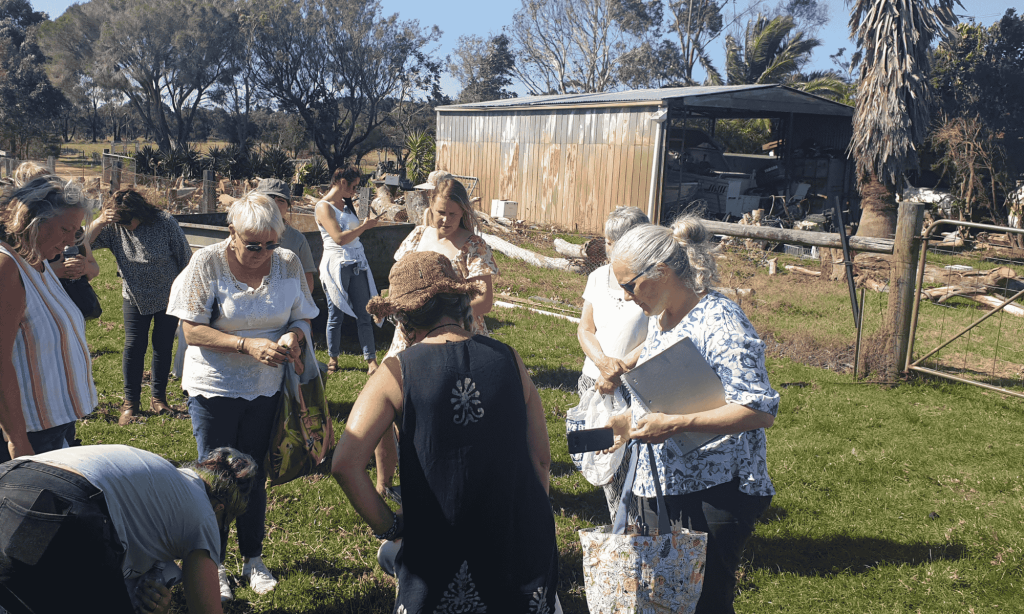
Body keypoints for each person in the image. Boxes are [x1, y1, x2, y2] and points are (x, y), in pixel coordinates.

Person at [333, 251, 559, 613]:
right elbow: (542, 460)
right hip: (519, 540)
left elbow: (344, 464)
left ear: (403, 319)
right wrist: (527, 520)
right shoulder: (509, 358)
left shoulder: (394, 373)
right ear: (460, 303)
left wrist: (391, 528)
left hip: (438, 545)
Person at [604, 215, 779, 614]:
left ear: (661, 272)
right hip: (664, 488)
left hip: (715, 492)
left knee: (705, 604)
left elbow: (758, 409)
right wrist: (627, 422)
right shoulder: (662, 318)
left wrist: (679, 424)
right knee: (665, 601)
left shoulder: (720, 321)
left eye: (630, 286)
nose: (628, 297)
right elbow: (670, 393)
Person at [166, 192, 319, 600]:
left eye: (271, 243)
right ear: (231, 232)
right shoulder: (207, 262)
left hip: (266, 387)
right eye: (254, 245)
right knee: (216, 479)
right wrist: (246, 346)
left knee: (255, 474)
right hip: (215, 386)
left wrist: (294, 334)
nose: (263, 252)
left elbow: (303, 312)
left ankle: (253, 557)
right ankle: (212, 565)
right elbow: (191, 330)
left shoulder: (286, 263)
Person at [0, 444, 257, 614]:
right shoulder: (204, 513)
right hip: (64, 506)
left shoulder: (160, 481)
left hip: (11, 478)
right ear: (220, 509)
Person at [373, 175, 499, 496]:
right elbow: (395, 279)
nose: (445, 220)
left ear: (464, 213)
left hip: (458, 332)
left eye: (453, 214)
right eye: (440, 212)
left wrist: (442, 311)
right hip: (409, 332)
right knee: (383, 402)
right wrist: (403, 306)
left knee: (446, 412)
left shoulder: (474, 245)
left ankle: (449, 479)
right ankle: (385, 483)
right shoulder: (416, 236)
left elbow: (484, 299)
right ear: (431, 206)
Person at [0, 178, 97, 460]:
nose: (71, 241)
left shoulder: (39, 263)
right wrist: (17, 441)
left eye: (77, 231)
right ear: (31, 221)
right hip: (27, 434)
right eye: (65, 229)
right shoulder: (7, 267)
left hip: (54, 425)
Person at [87, 188, 193, 424]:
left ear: (141, 212)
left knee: (162, 345)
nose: (127, 226)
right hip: (134, 295)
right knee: (134, 346)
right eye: (121, 222)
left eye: (129, 221)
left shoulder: (165, 222)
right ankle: (130, 403)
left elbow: (185, 258)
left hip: (168, 295)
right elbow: (83, 242)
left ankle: (159, 399)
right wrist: (100, 221)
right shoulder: (114, 227)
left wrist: (184, 294)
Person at [573, 206, 650, 524]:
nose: (606, 247)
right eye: (607, 241)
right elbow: (585, 328)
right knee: (601, 458)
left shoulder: (650, 281)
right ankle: (618, 527)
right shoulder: (597, 277)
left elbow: (661, 335)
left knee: (634, 462)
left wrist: (619, 370)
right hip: (593, 383)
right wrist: (603, 364)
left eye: (612, 241)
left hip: (636, 384)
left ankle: (635, 530)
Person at [315, 166, 379, 375]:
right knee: (336, 315)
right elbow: (339, 238)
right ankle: (333, 359)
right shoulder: (323, 207)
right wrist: (365, 227)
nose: (354, 191)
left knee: (364, 311)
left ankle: (371, 360)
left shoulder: (346, 204)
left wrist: (365, 226)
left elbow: (351, 234)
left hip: (356, 263)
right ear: (342, 182)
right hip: (336, 264)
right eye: (353, 186)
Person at [255, 178, 315, 291]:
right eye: (268, 199)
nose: (274, 204)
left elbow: (307, 280)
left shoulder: (297, 239)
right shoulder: (245, 235)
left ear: (287, 207)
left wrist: (301, 306)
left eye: (280, 200)